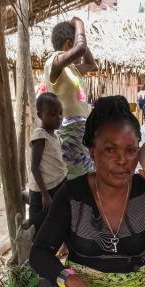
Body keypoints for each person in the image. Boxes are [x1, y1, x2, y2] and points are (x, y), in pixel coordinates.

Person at [30, 96, 145, 287]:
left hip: (140, 286)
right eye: (110, 150)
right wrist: (69, 279)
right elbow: (40, 252)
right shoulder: (72, 194)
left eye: (130, 150)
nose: (122, 160)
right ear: (92, 153)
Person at [40, 17, 97, 179]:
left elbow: (91, 64)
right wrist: (80, 23)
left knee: (85, 178)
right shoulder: (53, 63)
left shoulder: (71, 69)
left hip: (80, 134)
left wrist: (82, 42)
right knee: (79, 181)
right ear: (69, 43)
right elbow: (79, 49)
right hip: (69, 135)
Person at [28, 93, 68, 231]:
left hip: (58, 183)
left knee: (59, 217)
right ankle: (36, 249)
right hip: (42, 190)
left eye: (60, 113)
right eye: (52, 114)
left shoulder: (55, 135)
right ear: (40, 115)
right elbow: (34, 167)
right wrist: (45, 194)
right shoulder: (40, 135)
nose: (58, 117)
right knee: (38, 223)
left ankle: (61, 245)